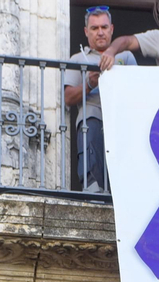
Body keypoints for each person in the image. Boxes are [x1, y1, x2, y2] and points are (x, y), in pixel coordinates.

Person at [63, 5, 134, 193]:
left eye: (104, 27)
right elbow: (68, 97)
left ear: (112, 29)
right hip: (92, 118)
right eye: (95, 28)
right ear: (86, 32)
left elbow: (137, 91)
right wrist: (90, 84)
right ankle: (93, 187)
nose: (100, 32)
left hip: (120, 119)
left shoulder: (125, 56)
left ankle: (125, 190)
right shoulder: (78, 58)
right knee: (89, 118)